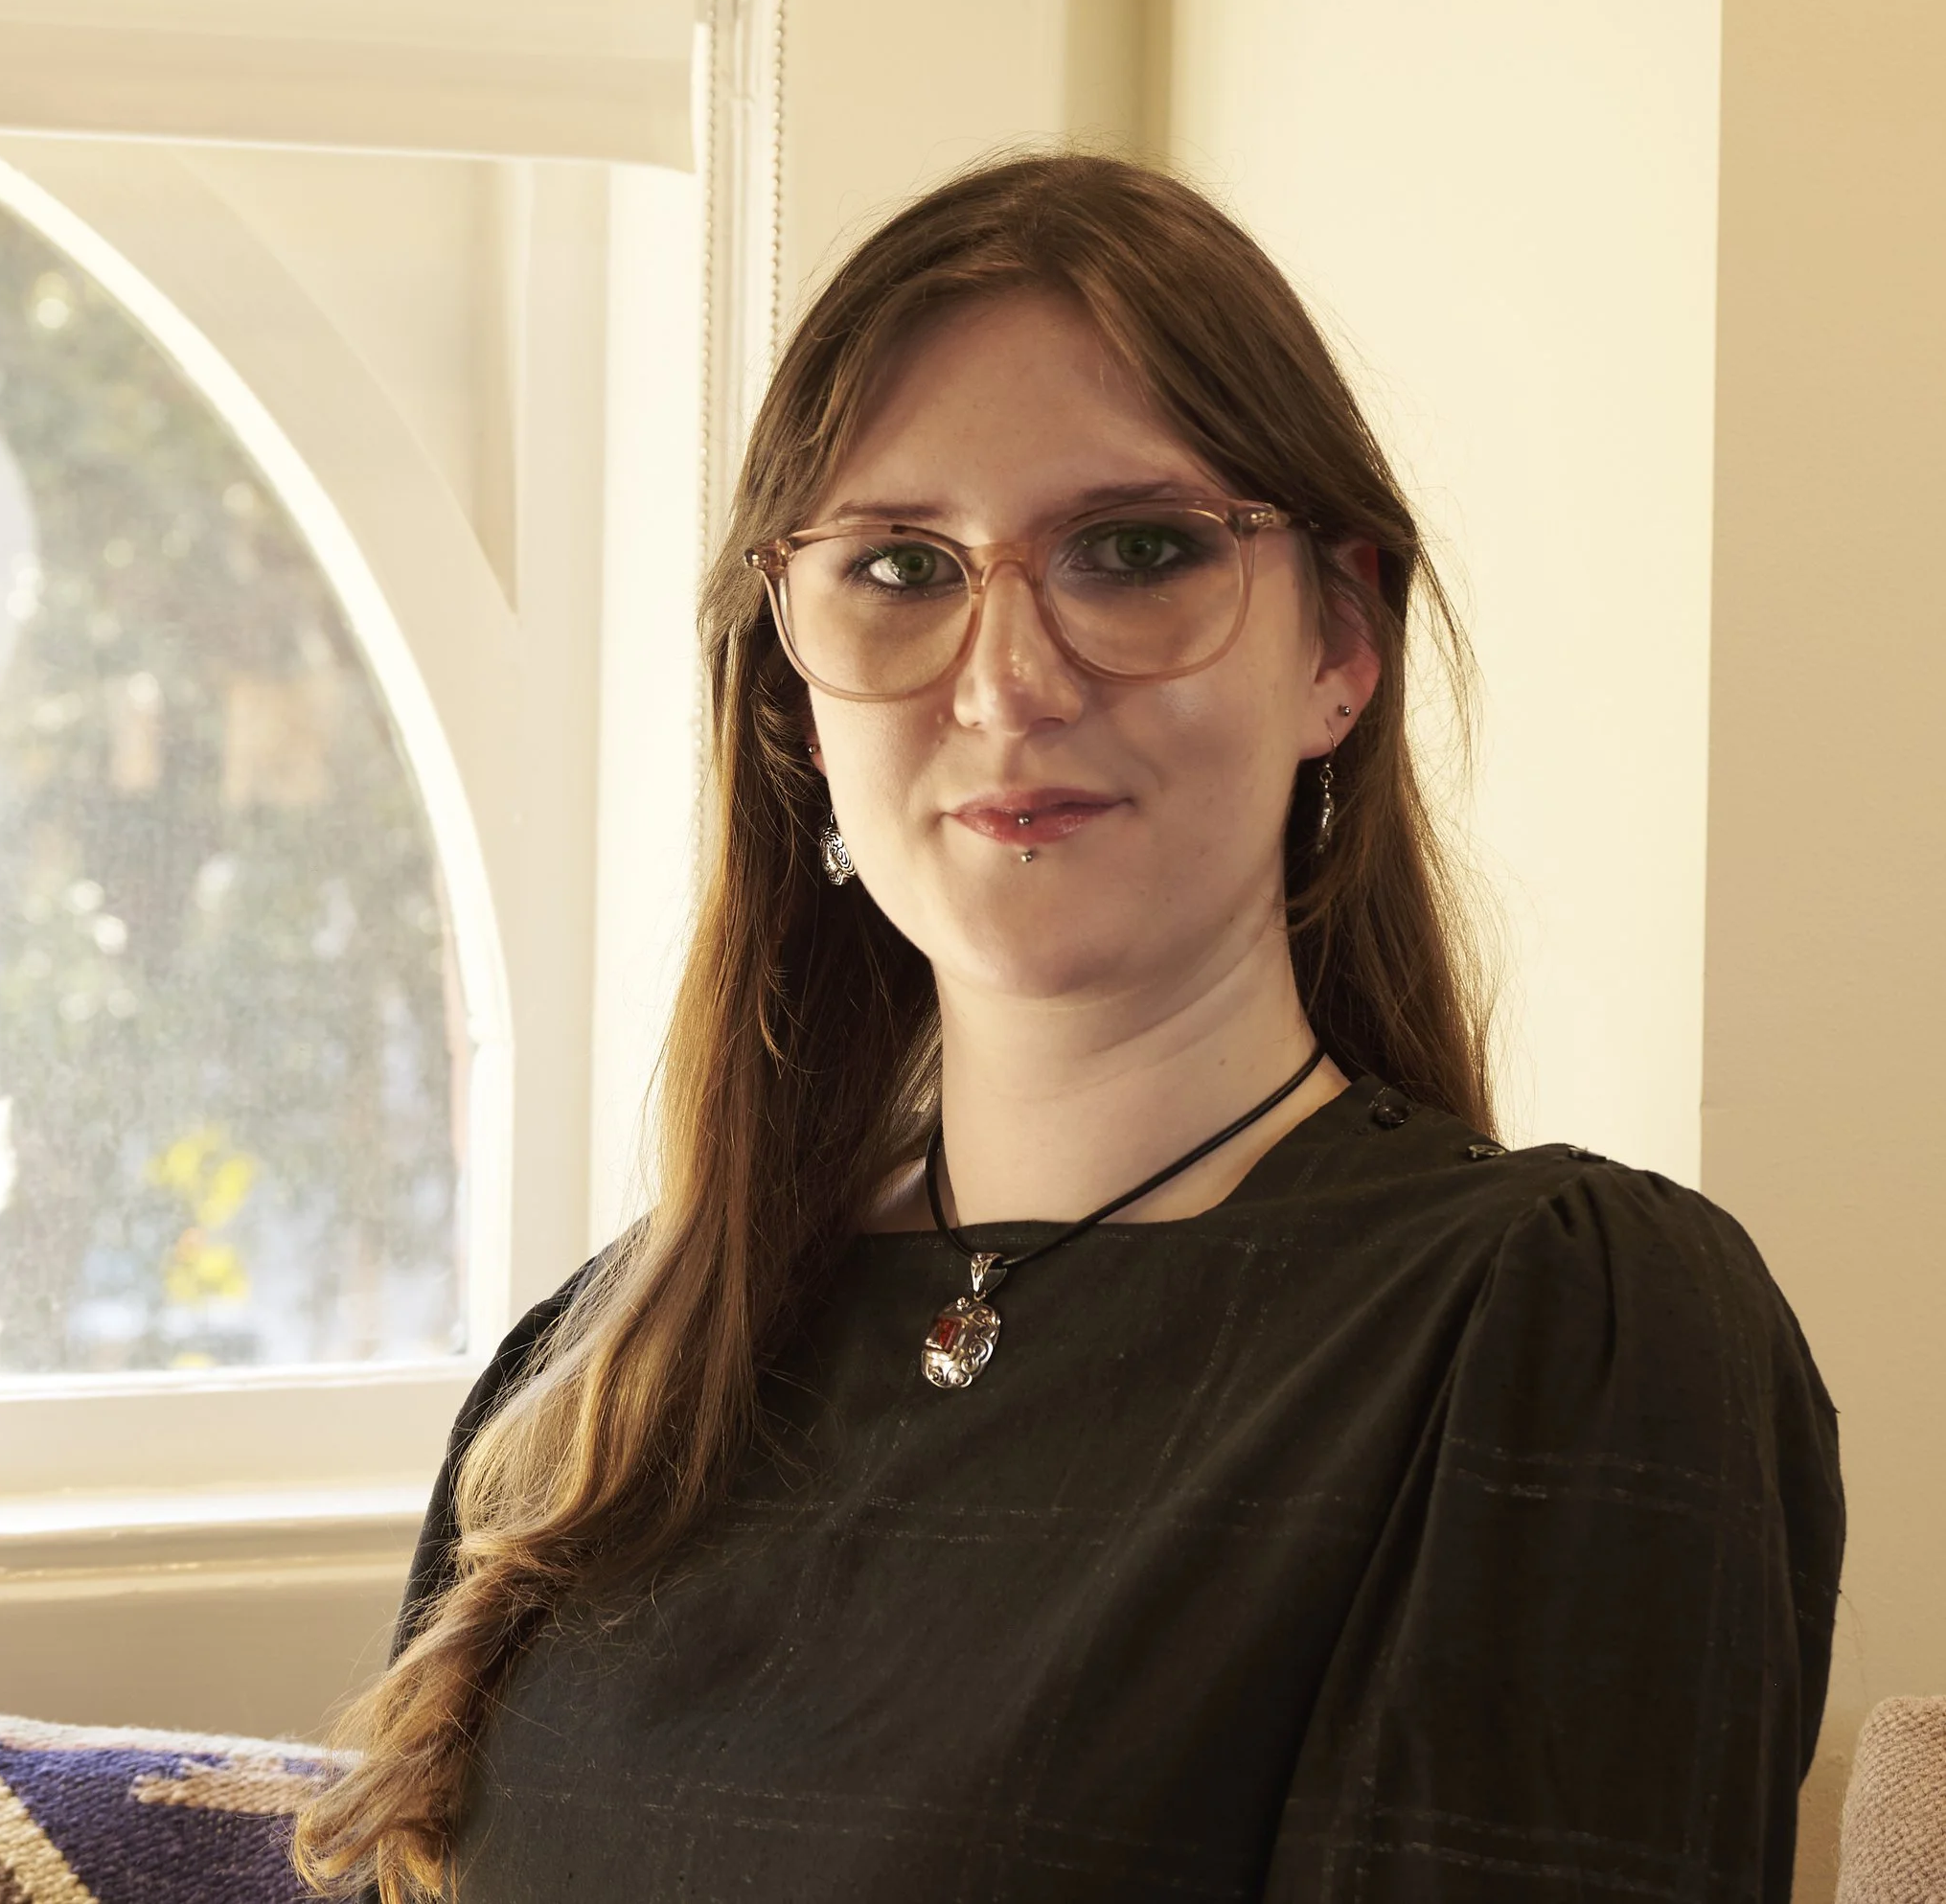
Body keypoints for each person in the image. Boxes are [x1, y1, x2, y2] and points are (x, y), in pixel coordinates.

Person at [298, 154, 1842, 1903]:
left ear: (1342, 641)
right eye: (898, 564)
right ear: (794, 696)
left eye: (1133, 551)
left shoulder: (1559, 1329)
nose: (1008, 680)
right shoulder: (595, 1377)